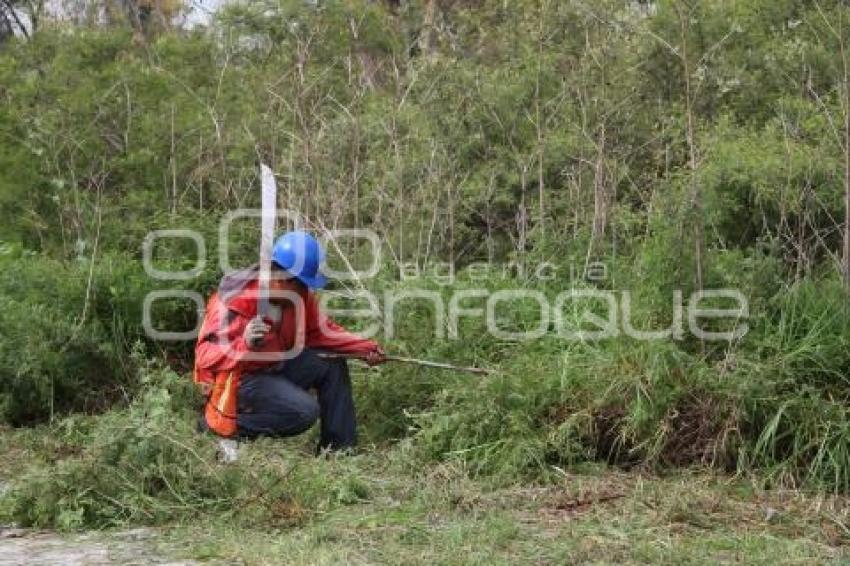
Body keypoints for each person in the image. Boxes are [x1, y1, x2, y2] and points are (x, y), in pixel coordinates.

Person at [193, 231, 385, 452]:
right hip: (239, 380)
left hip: (274, 366)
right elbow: (205, 357)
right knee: (304, 411)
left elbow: (323, 332)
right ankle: (219, 427)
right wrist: (244, 344)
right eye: (302, 284)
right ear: (280, 278)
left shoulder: (298, 296)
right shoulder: (234, 301)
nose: (307, 290)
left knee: (331, 364)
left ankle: (340, 451)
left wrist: (366, 349)